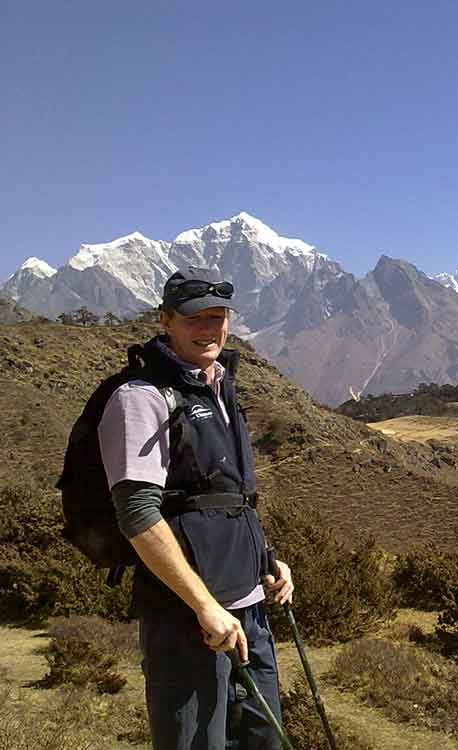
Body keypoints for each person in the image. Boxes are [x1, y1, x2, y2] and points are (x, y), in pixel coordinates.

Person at [97, 267, 293, 750]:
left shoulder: (221, 386)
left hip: (248, 609)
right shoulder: (141, 397)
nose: (208, 328)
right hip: (189, 618)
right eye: (193, 318)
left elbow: (227, 496)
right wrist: (204, 606)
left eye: (217, 316)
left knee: (264, 739)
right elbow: (138, 514)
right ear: (165, 320)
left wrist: (266, 560)